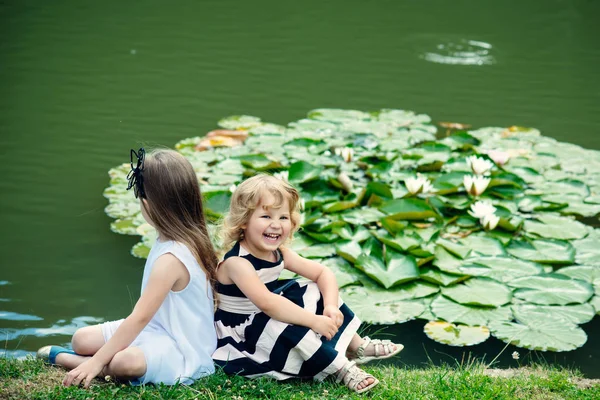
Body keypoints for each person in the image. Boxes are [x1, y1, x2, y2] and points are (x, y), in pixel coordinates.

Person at [37, 148, 219, 388]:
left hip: (181, 345)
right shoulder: (177, 237)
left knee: (126, 363)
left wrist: (97, 361)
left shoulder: (172, 258)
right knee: (81, 338)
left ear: (147, 204)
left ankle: (71, 360)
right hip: (157, 328)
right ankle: (85, 355)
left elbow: (140, 317)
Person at [212, 174, 403, 394]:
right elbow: (267, 303)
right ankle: (341, 369)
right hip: (243, 331)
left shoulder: (279, 253)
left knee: (313, 289)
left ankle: (355, 345)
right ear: (244, 221)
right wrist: (314, 321)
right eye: (265, 216)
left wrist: (330, 306)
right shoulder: (237, 263)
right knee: (281, 324)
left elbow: (323, 272)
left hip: (267, 312)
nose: (275, 225)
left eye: (283, 217)